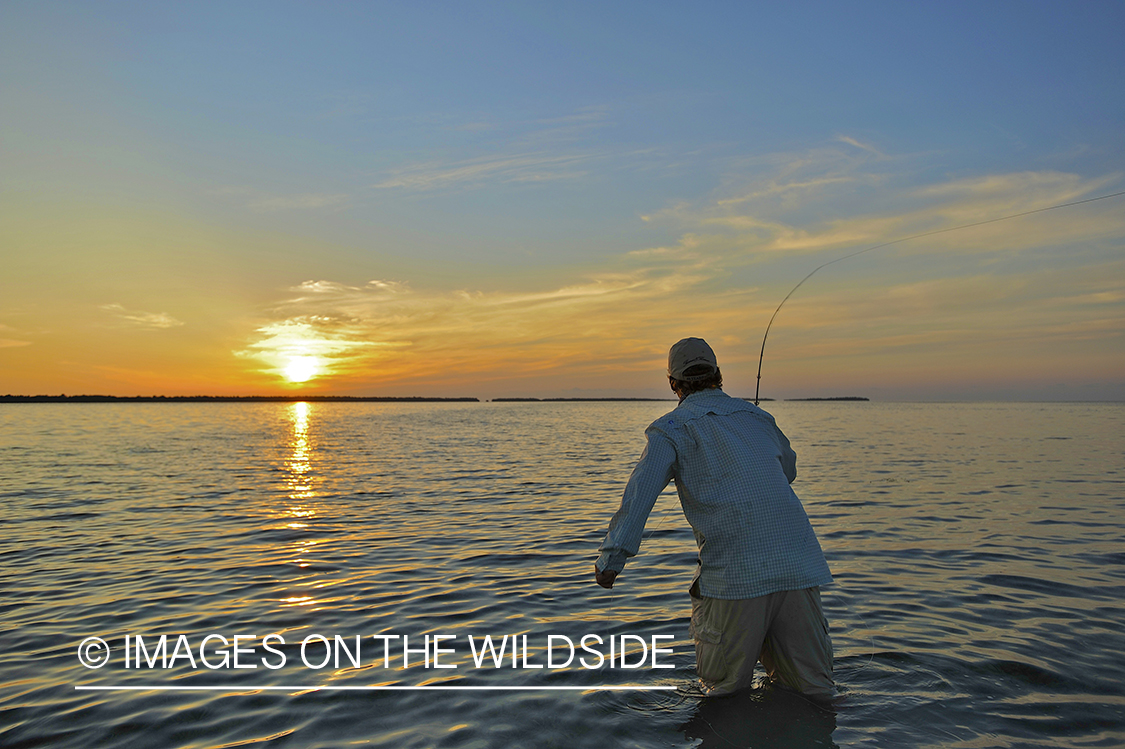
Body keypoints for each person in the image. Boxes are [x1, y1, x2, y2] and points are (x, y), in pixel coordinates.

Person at [594, 337, 835, 701]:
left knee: (722, 697)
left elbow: (639, 496)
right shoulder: (759, 417)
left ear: (673, 384)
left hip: (734, 579)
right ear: (718, 375)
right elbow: (788, 471)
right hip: (799, 568)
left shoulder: (670, 429)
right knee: (814, 694)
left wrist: (612, 560)